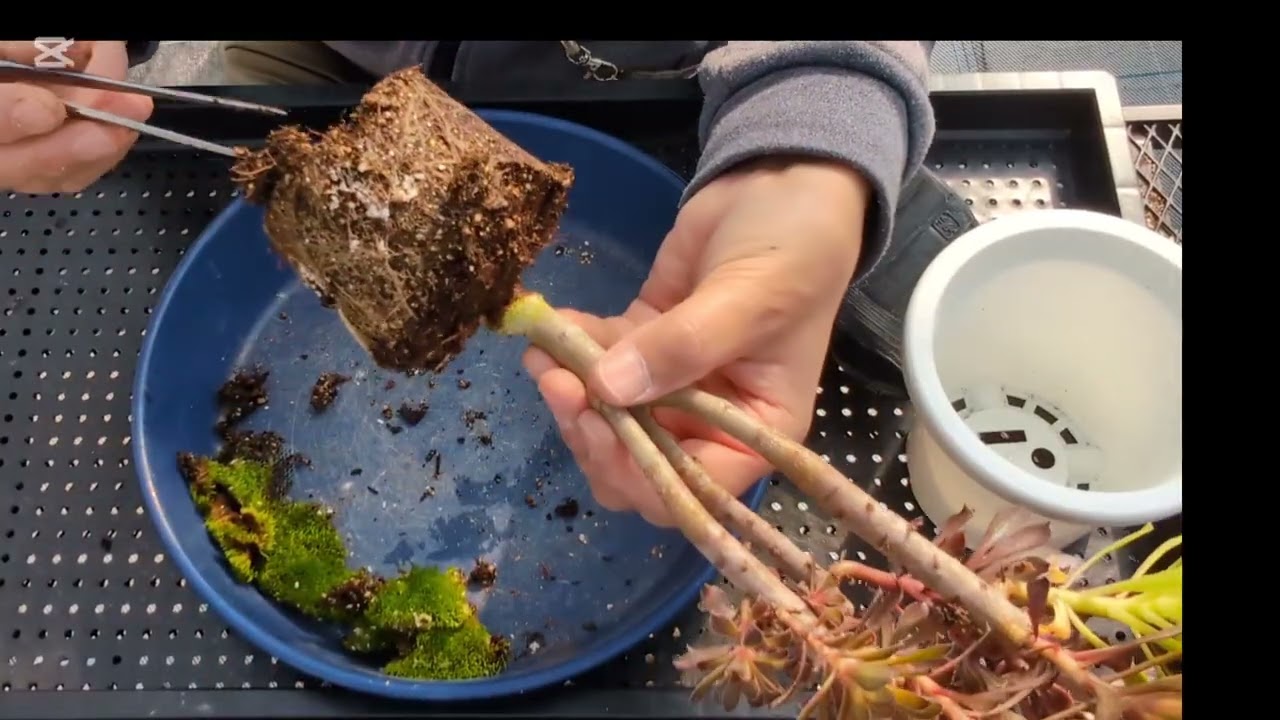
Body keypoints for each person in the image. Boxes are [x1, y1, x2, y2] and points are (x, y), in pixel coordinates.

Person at [0, 40, 937, 528]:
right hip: (334, 65)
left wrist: (822, 120)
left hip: (686, 81)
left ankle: (833, 171)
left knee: (832, 186)